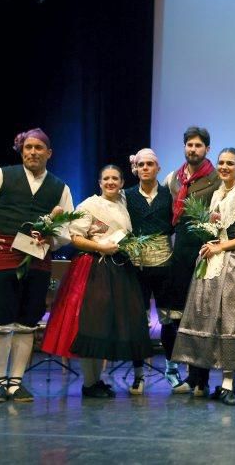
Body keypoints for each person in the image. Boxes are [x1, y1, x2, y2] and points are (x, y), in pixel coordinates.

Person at [0, 128, 74, 403]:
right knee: (0, 318)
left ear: (49, 153)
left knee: (28, 320)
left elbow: (68, 225)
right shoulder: (1, 175)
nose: (32, 152)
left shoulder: (60, 187)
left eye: (38, 148)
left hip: (38, 259)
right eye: (28, 148)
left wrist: (52, 236)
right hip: (3, 254)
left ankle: (16, 382)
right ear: (22, 151)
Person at [42, 165, 153, 398]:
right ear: (99, 182)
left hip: (118, 271)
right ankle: (89, 383)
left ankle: (96, 380)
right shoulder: (90, 205)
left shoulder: (123, 207)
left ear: (122, 183)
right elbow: (76, 238)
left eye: (115, 178)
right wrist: (100, 246)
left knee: (104, 326)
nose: (110, 182)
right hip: (93, 268)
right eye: (106, 178)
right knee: (91, 324)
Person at [171, 148, 235, 405]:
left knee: (232, 320)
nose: (224, 167)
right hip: (216, 261)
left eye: (230, 163)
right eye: (221, 163)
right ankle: (225, 382)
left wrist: (220, 246)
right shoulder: (218, 193)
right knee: (211, 320)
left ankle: (227, 384)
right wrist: (211, 242)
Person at [163, 126, 221, 395]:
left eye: (198, 145)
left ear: (207, 149)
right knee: (180, 316)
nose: (193, 149)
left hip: (203, 250)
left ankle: (203, 378)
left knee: (202, 315)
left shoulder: (217, 178)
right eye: (189, 145)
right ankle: (189, 375)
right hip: (179, 252)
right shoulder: (174, 178)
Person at [125, 148, 182, 394]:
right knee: (137, 321)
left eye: (150, 164)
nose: (146, 168)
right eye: (141, 164)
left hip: (164, 264)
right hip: (135, 267)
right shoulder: (125, 196)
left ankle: (172, 371)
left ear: (158, 168)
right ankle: (138, 375)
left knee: (169, 319)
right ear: (135, 168)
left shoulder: (170, 196)